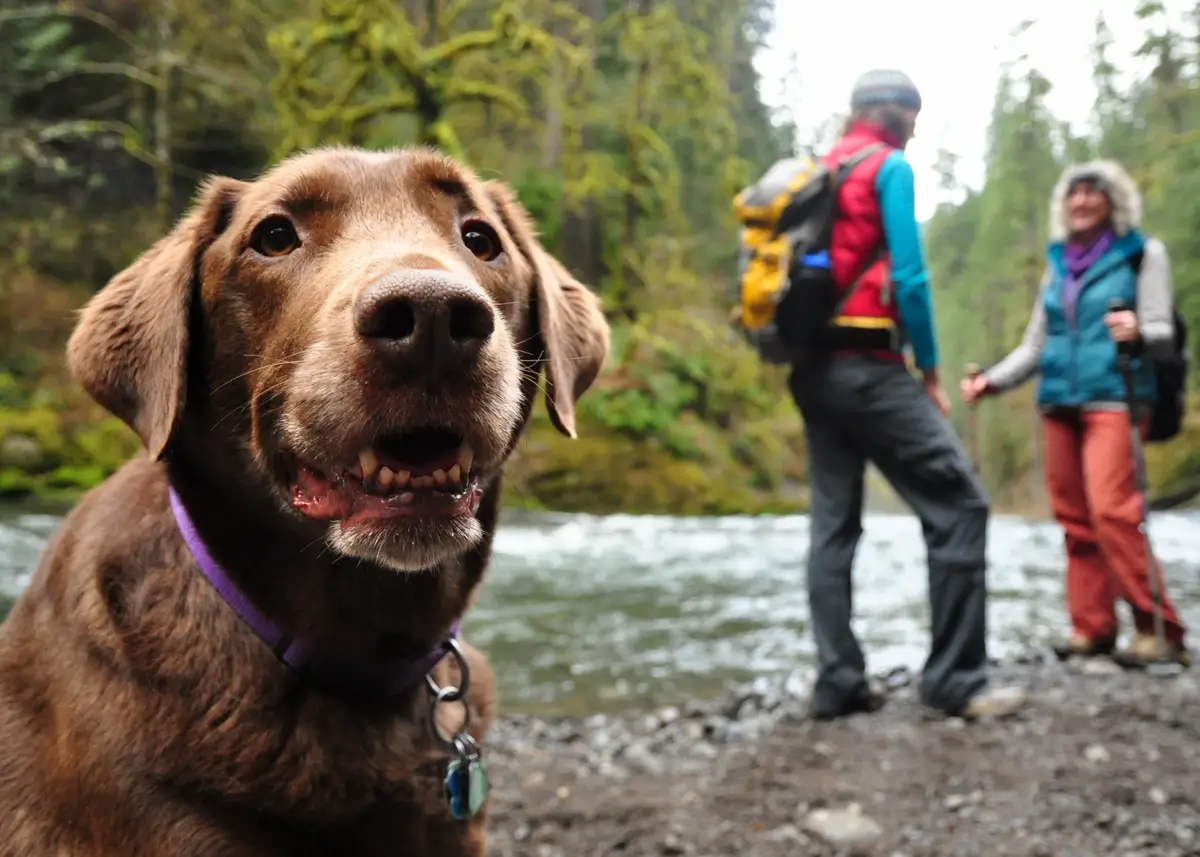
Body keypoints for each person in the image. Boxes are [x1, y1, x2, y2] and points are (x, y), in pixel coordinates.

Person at [789, 68, 1027, 720]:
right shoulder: (887, 167)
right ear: (896, 115)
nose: (917, 127)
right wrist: (928, 368)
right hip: (870, 364)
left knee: (832, 527)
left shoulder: (818, 169)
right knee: (960, 505)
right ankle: (956, 680)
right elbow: (913, 278)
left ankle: (837, 682)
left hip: (812, 371)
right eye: (914, 115)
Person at [961, 160, 1190, 669]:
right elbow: (1036, 343)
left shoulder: (1142, 255)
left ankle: (1160, 629)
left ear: (1113, 201)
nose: (1082, 201)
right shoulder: (1059, 262)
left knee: (1114, 512)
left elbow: (1161, 330)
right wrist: (991, 381)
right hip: (1058, 402)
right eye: (1074, 193)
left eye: (1093, 192)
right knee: (1074, 520)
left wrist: (1136, 328)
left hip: (1116, 396)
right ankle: (1092, 627)